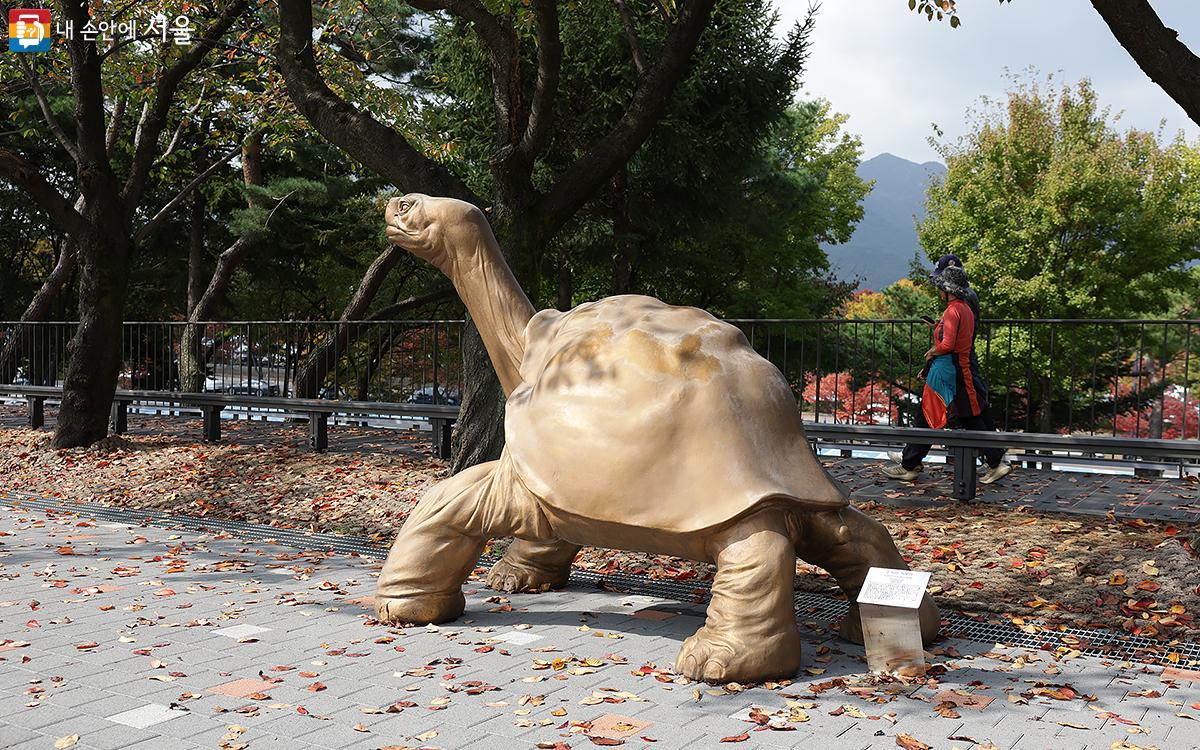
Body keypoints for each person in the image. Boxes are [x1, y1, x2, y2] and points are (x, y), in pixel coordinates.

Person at [882, 265, 1012, 486]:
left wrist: (933, 350)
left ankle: (909, 465)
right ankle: (993, 460)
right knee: (966, 416)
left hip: (946, 371)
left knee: (931, 416)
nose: (938, 292)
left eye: (939, 287)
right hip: (959, 369)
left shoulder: (952, 310)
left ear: (946, 288)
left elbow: (948, 344)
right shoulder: (965, 309)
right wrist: (938, 327)